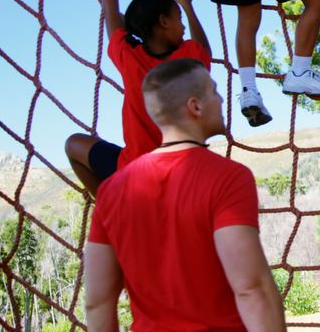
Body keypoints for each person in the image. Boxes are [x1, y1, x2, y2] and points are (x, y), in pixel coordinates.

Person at [84, 58, 284, 331]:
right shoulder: (228, 178)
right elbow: (251, 288)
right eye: (214, 92)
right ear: (196, 106)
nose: (221, 100)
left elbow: (98, 301)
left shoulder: (111, 190)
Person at [64, 0, 211, 197]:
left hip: (134, 170)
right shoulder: (187, 60)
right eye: (179, 19)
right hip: (179, 177)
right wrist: (186, 3)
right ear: (164, 22)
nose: (183, 27)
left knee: (73, 145)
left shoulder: (129, 56)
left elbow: (110, 12)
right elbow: (204, 48)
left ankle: (113, 208)